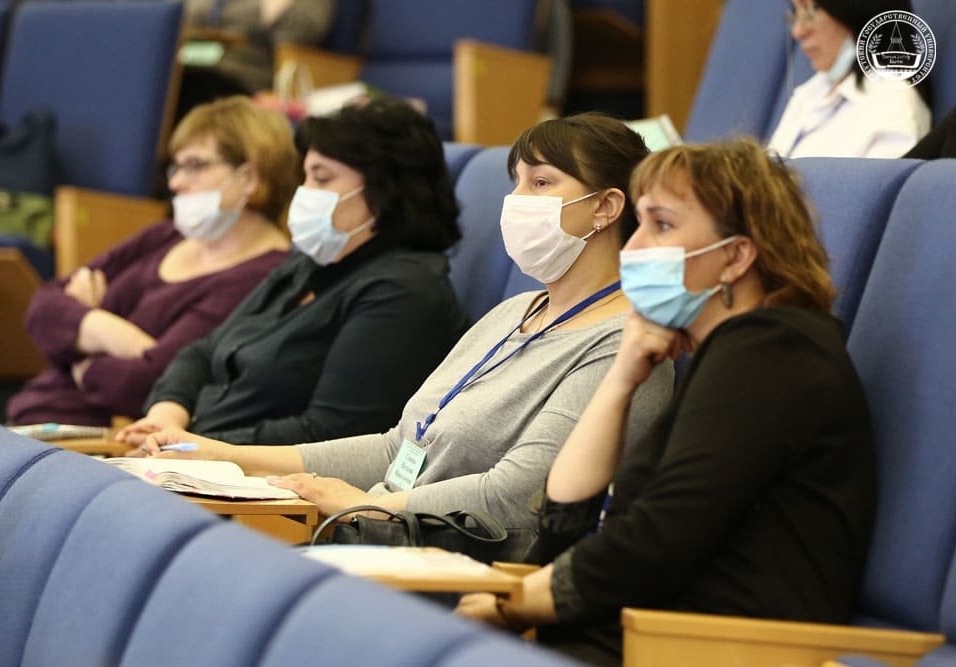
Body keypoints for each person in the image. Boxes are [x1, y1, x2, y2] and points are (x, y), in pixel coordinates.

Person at [136, 112, 674, 559]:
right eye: (516, 182)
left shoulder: (623, 344)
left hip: (453, 564)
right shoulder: (513, 312)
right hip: (375, 537)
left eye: (541, 183)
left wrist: (360, 505)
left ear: (605, 207)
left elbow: (516, 496)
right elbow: (399, 447)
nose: (516, 200)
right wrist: (222, 455)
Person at [456, 139, 877, 667]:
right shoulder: (731, 353)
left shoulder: (775, 351)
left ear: (735, 256)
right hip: (646, 636)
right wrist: (621, 379)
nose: (632, 248)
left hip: (712, 649)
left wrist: (515, 604)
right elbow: (565, 523)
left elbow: (656, 541)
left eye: (661, 225)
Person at [117, 98, 468, 448]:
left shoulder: (404, 291)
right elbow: (203, 352)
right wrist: (167, 416)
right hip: (196, 456)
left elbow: (330, 435)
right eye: (305, 176)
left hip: (252, 476)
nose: (304, 192)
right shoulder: (311, 263)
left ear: (384, 190)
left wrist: (193, 446)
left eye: (322, 178)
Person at [6, 97, 294, 427]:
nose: (175, 182)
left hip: (103, 438)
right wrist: (108, 331)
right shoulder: (165, 235)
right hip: (34, 410)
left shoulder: (266, 273)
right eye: (176, 167)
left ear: (249, 177)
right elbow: (42, 307)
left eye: (195, 165)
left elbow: (147, 384)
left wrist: (78, 347)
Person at [768, 0, 930, 158]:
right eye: (797, 13)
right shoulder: (810, 91)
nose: (797, 31)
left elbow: (879, 178)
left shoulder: (893, 104)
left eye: (812, 10)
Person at [176, 0, 335, 120]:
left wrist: (279, 11)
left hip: (246, 77)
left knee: (190, 86)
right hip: (192, 63)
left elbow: (303, 30)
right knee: (175, 79)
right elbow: (181, 14)